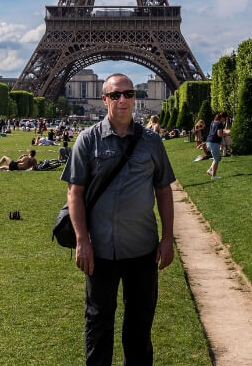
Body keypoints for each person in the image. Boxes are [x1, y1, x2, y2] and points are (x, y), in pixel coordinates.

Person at [62, 72, 175, 366]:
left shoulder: (152, 142)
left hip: (142, 249)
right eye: (115, 95)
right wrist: (81, 241)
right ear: (104, 100)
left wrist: (167, 238)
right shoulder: (87, 140)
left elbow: (164, 191)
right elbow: (74, 193)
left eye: (128, 94)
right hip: (99, 250)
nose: (123, 100)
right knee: (99, 324)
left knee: (139, 326)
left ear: (135, 97)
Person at [206, 113, 225, 179]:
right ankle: (213, 175)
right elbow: (219, 134)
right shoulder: (219, 123)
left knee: (217, 158)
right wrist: (227, 133)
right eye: (225, 118)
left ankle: (210, 170)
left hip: (209, 141)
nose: (225, 120)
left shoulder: (212, 122)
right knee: (216, 159)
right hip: (213, 143)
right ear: (222, 117)